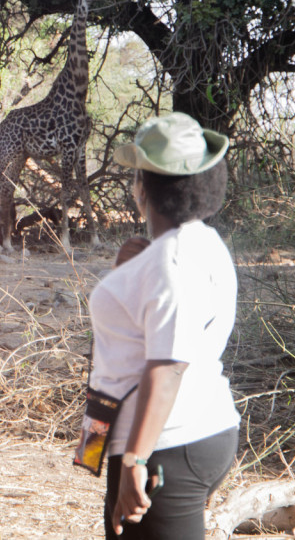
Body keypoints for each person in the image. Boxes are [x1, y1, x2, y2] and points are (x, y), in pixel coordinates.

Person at [89, 112, 239, 539]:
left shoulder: (172, 260)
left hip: (165, 442)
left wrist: (135, 459)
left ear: (142, 187)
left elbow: (169, 365)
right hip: (183, 432)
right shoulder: (197, 242)